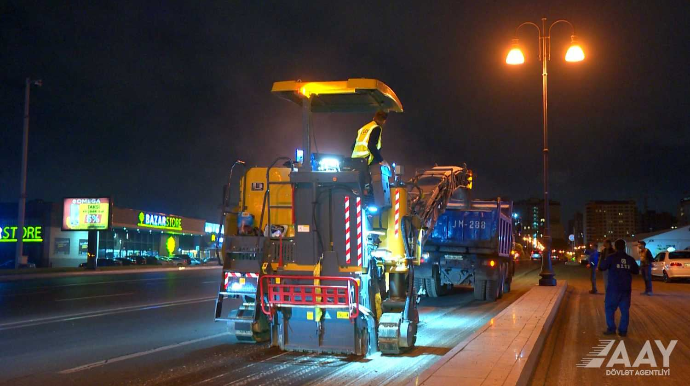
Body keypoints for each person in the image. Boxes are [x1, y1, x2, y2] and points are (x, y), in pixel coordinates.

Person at [599, 239, 639, 337]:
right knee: (625, 310)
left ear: (615, 247)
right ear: (624, 247)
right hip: (626, 289)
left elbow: (601, 267)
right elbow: (636, 271)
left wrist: (602, 257)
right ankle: (623, 330)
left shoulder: (611, 258)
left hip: (613, 288)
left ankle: (611, 328)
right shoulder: (630, 259)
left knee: (609, 308)